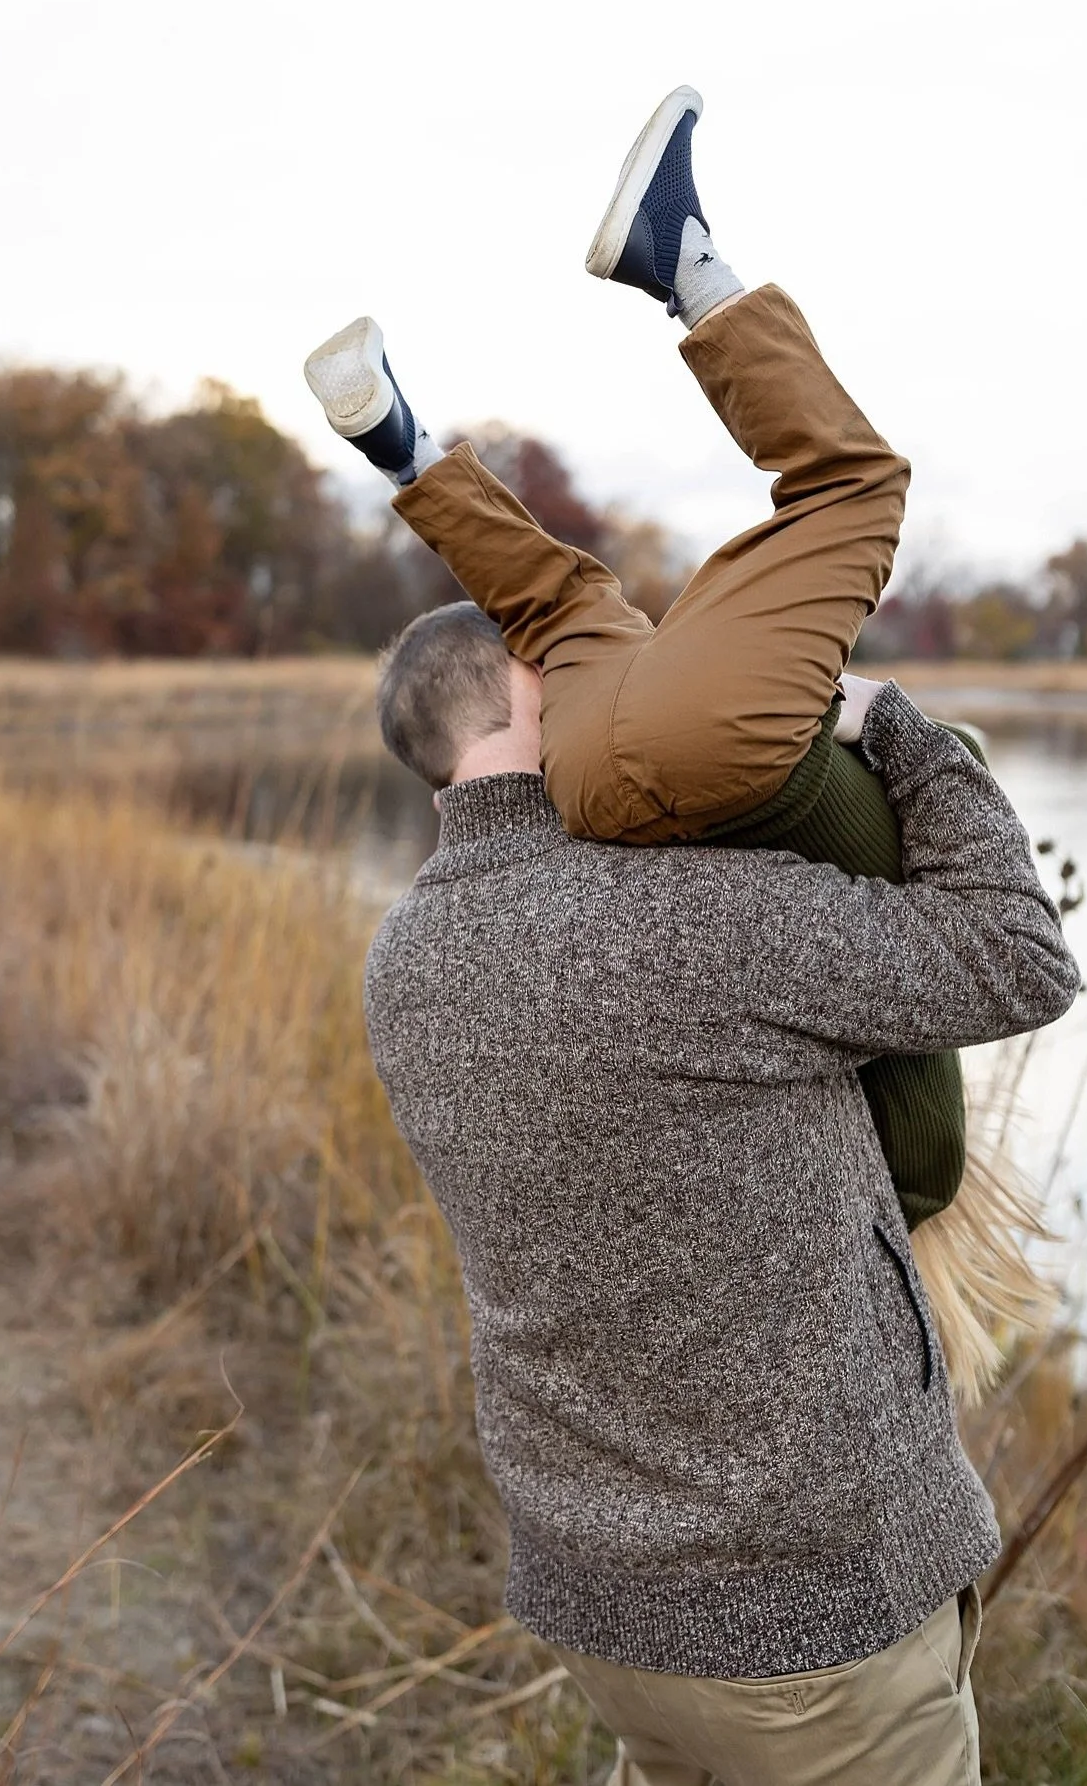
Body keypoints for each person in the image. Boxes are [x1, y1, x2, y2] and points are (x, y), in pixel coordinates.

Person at [325, 91, 1082, 1786]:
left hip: (611, 1621)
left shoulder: (403, 969)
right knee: (854, 482)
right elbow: (1018, 964)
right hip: (809, 1628)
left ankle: (425, 436)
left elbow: (564, 610)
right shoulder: (688, 921)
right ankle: (690, 272)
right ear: (530, 688)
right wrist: (900, 736)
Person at [304, 86, 979, 1238]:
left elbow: (918, 1139)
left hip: (612, 761)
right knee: (807, 503)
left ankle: (411, 439)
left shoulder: (433, 948)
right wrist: (913, 735)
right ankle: (666, 273)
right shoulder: (919, 1163)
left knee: (593, 590)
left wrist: (891, 735)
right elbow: (919, 1148)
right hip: (658, 757)